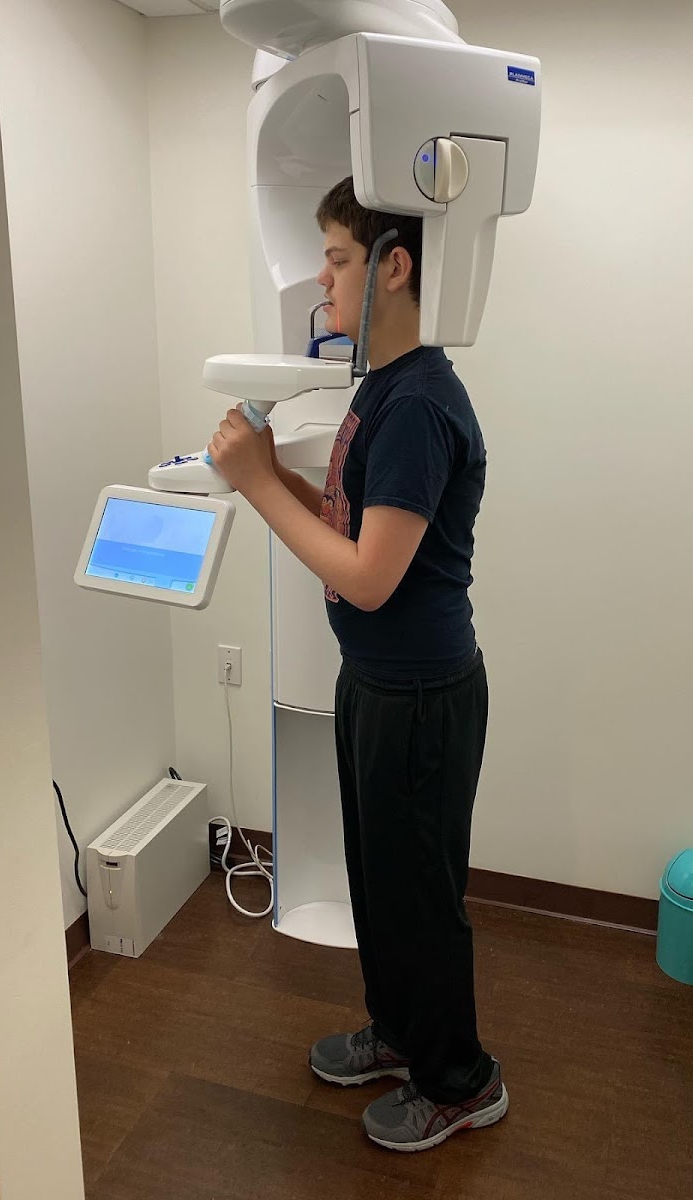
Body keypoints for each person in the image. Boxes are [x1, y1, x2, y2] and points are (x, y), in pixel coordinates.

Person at [208, 176, 506, 1153]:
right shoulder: (380, 386)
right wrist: (272, 473)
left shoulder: (418, 402)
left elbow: (370, 579)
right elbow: (353, 521)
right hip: (379, 683)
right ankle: (401, 1032)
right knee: (379, 883)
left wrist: (257, 485)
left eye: (337, 260)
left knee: (419, 897)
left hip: (420, 693)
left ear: (394, 265)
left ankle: (460, 1081)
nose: (322, 282)